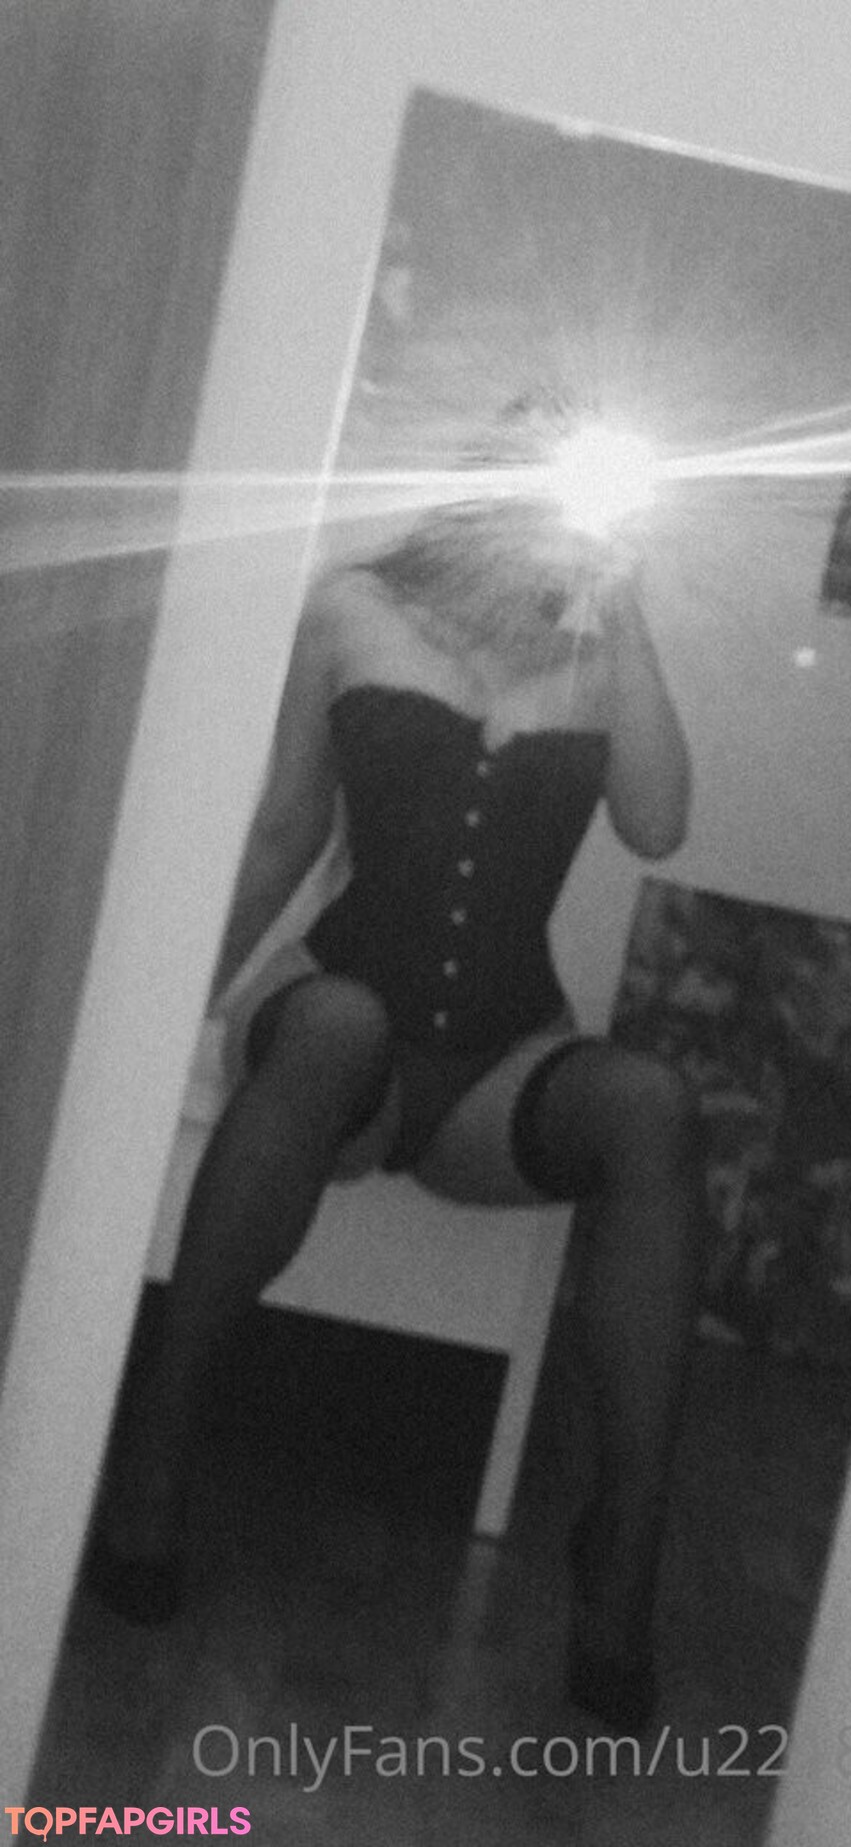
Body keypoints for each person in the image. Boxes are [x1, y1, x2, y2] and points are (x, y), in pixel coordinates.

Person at [90, 487, 706, 1731]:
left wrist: (630, 603)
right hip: (334, 1028)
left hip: (495, 1069)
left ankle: (626, 1538)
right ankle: (154, 1449)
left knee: (653, 1105)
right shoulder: (355, 610)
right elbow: (286, 829)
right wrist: (165, 1023)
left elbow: (657, 822)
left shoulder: (599, 653)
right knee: (338, 1023)